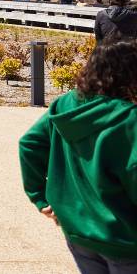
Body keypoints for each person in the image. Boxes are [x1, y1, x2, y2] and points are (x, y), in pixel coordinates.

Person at [18, 39, 137, 272]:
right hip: (125, 239)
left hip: (77, 230)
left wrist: (39, 196)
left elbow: (29, 143)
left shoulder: (66, 104)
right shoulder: (129, 119)